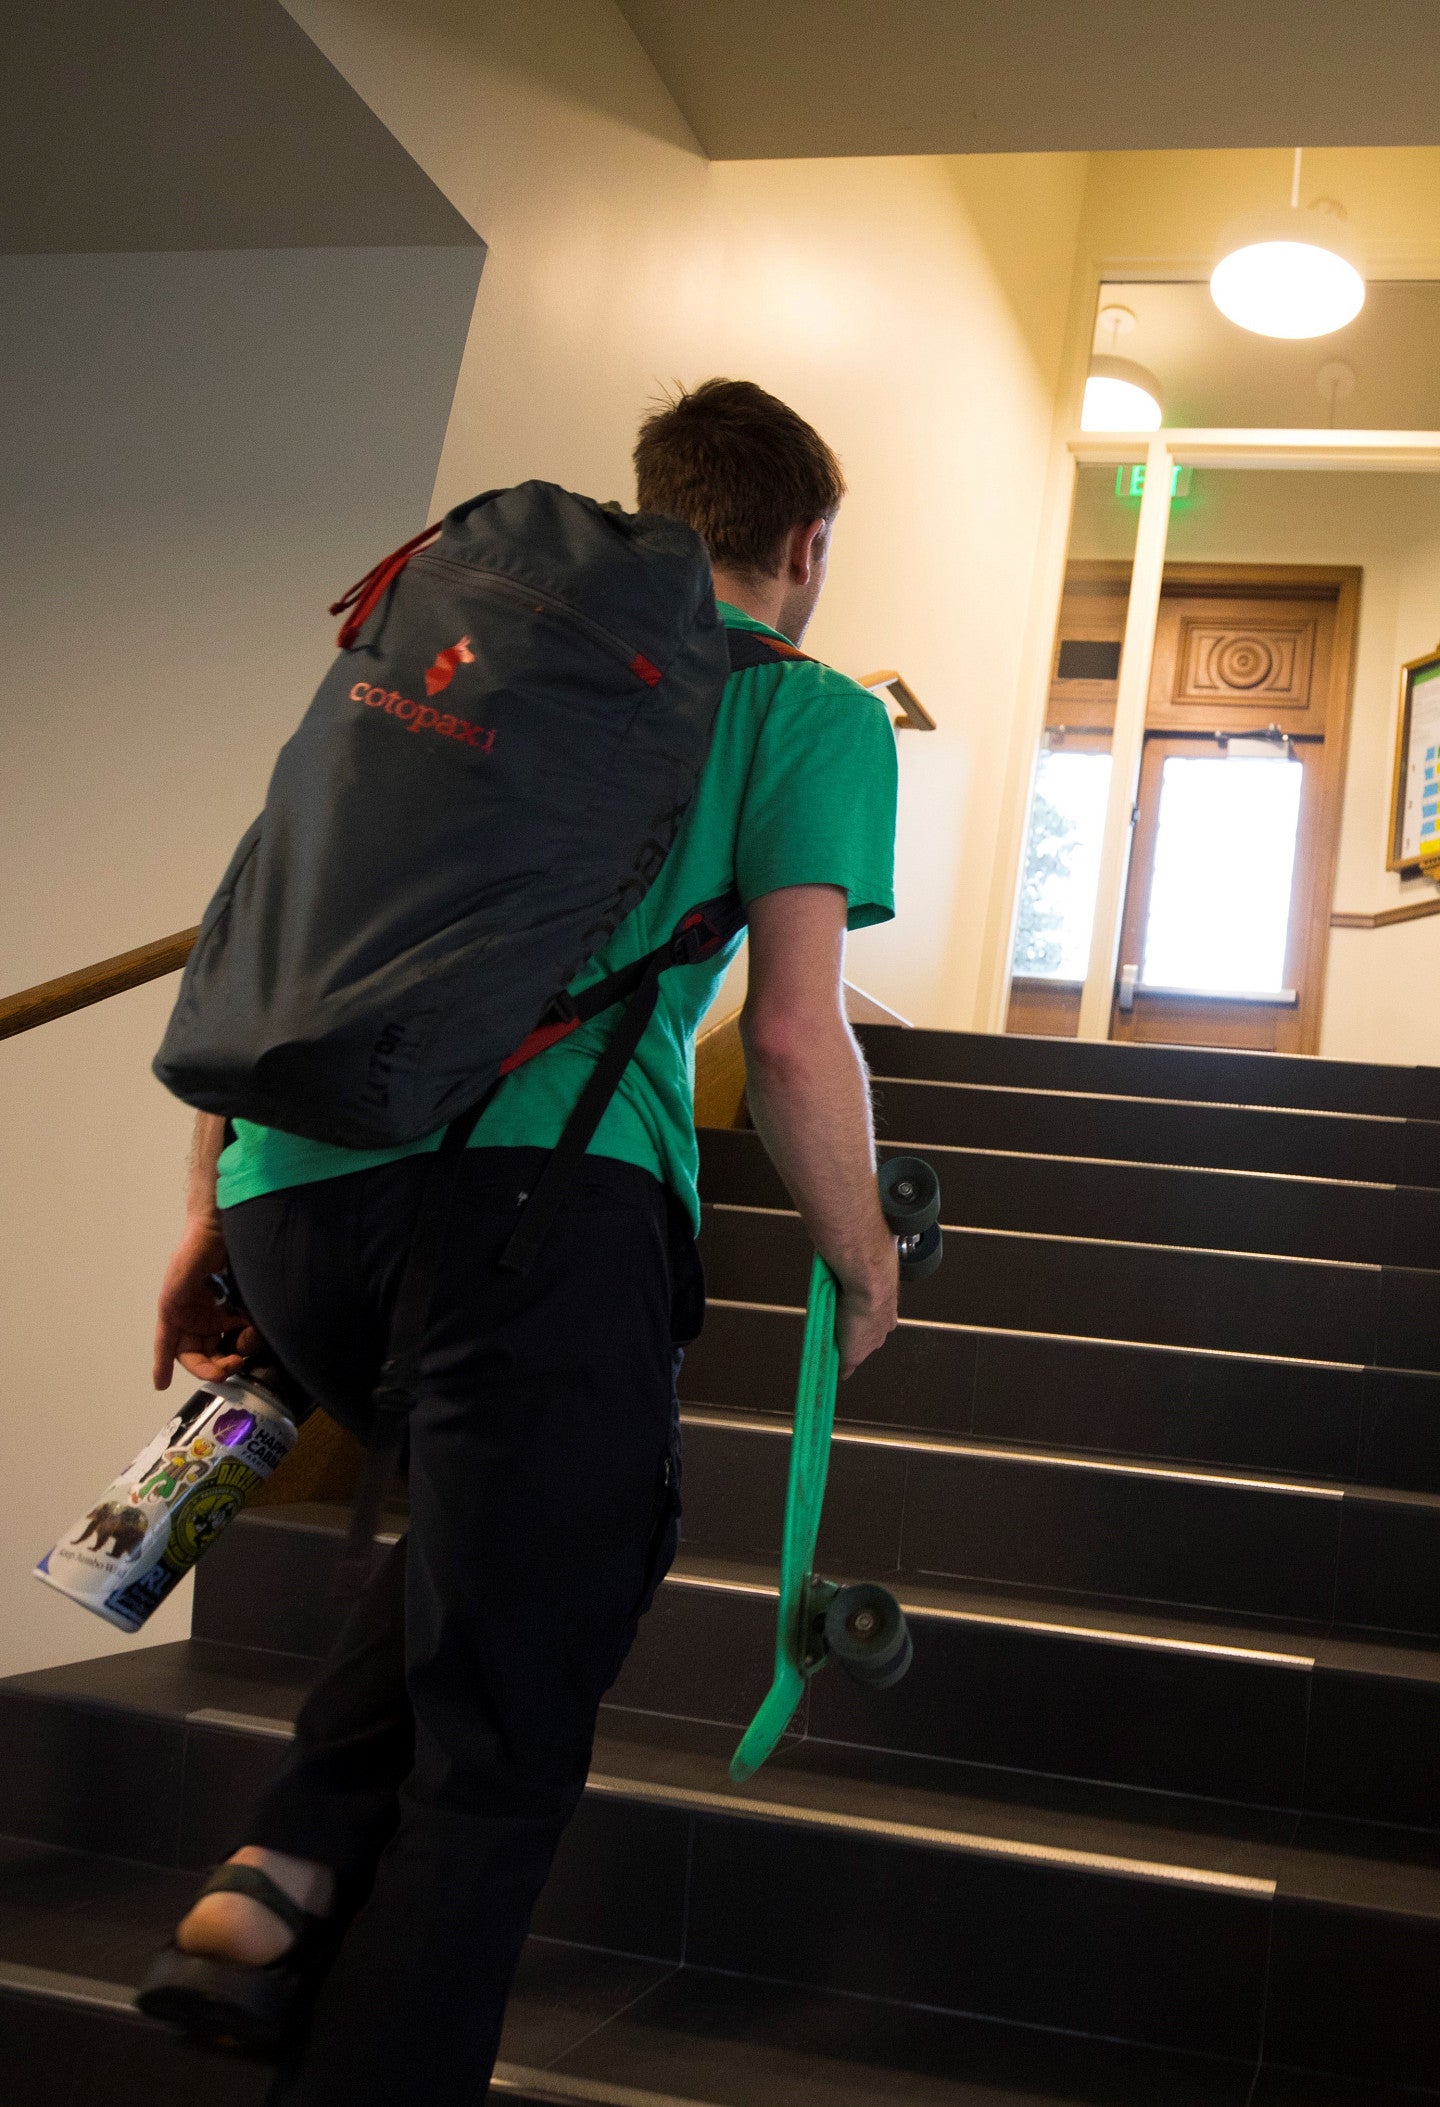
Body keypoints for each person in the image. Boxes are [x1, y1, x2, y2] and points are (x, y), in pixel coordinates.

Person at [144, 377, 901, 2102]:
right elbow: (790, 1035)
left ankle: (285, 1873)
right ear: (805, 543)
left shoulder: (462, 657)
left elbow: (279, 926)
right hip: (535, 1211)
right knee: (507, 1733)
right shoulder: (807, 711)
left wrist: (205, 1206)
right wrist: (862, 1258)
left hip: (290, 1192)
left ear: (653, 508)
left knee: (467, 1556)